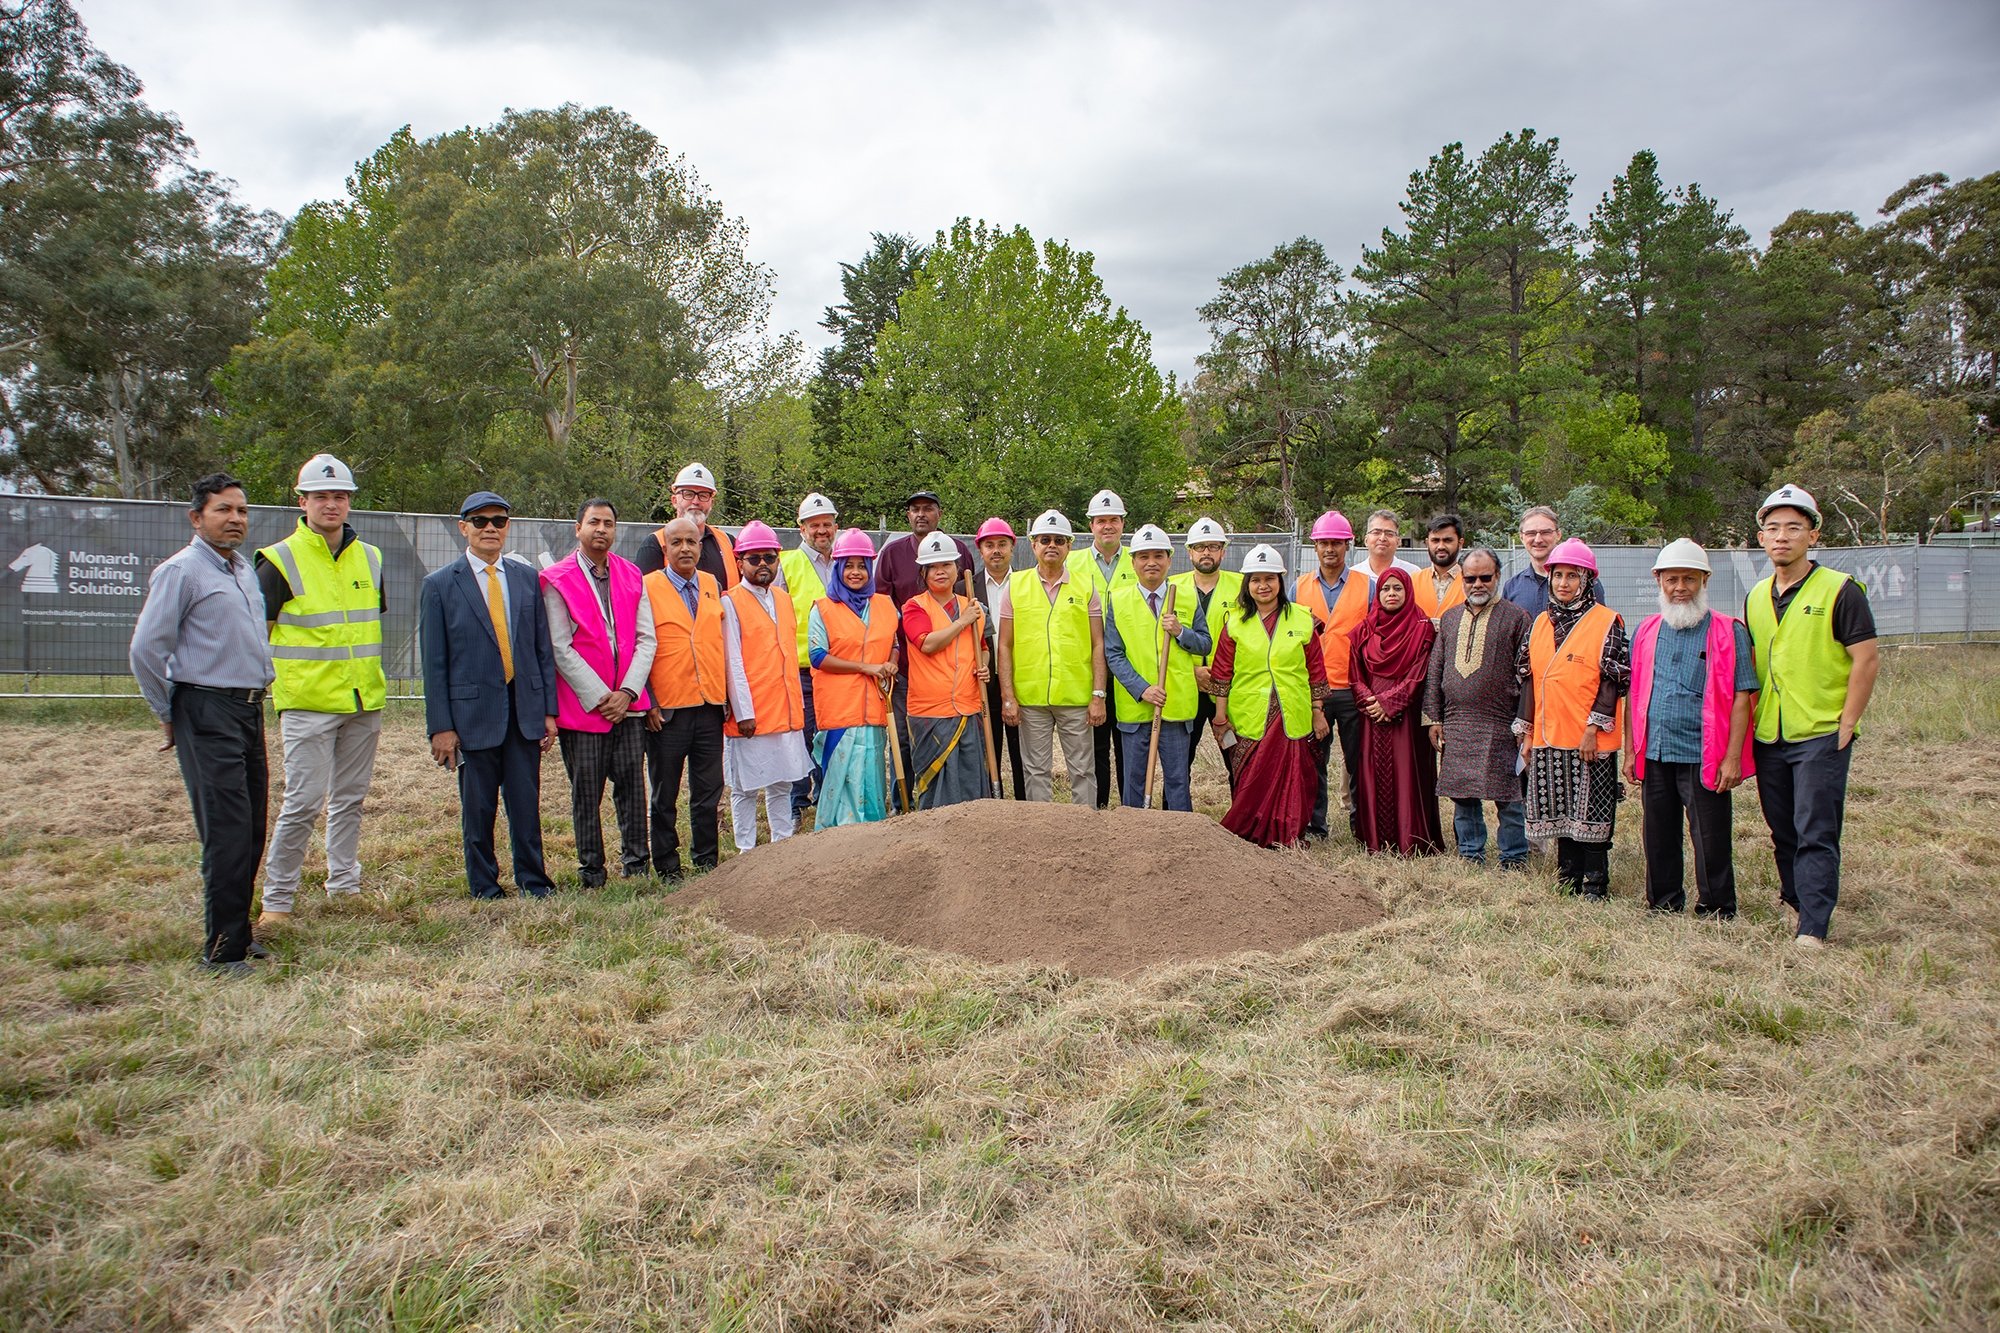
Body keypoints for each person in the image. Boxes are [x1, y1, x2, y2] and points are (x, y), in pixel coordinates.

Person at [129, 473, 277, 975]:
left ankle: (240, 930)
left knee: (253, 824)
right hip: (205, 708)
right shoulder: (182, 571)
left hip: (248, 709)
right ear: (197, 518)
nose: (235, 519)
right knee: (227, 830)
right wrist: (169, 713)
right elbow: (146, 650)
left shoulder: (240, 570)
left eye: (241, 510)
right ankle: (222, 951)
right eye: (223, 510)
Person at [254, 452, 385, 929]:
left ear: (349, 502)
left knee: (350, 798)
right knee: (304, 801)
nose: (331, 504)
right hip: (307, 704)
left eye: (340, 496)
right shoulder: (278, 560)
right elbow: (258, 634)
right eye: (321, 496)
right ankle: (278, 900)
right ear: (302, 501)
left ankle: (344, 884)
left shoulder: (370, 558)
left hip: (362, 701)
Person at [1746, 485, 1880, 948]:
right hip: (1771, 730)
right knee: (1781, 826)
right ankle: (1797, 900)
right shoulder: (1757, 597)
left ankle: (1813, 926)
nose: (1782, 537)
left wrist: (1846, 722)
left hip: (1820, 731)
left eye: (1793, 528)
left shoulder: (1841, 590)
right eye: (1773, 528)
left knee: (1816, 828)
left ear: (1813, 535)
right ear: (1761, 538)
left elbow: (1866, 659)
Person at [419, 491, 559, 900]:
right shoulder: (440, 586)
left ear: (507, 528)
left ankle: (534, 881)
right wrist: (441, 728)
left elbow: (541, 649)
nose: (490, 528)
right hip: (472, 716)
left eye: (499, 521)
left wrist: (548, 710)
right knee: (478, 810)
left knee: (525, 806)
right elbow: (435, 665)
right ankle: (483, 885)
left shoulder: (526, 578)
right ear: (463, 527)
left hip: (523, 711)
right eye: (480, 521)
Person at [1623, 539, 1758, 919]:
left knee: (1711, 838)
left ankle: (1716, 906)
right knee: (1658, 834)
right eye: (1672, 580)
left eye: (1689, 579)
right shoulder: (1647, 631)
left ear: (1704, 581)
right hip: (1656, 752)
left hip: (1705, 754)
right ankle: (1663, 901)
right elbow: (1633, 695)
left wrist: (1732, 758)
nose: (1680, 587)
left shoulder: (1729, 631)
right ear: (1658, 581)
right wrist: (1631, 750)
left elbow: (1742, 698)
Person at [540, 498, 656, 888]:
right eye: (594, 522)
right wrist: (601, 696)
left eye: (608, 523)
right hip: (585, 710)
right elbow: (560, 645)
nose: (601, 529)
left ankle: (637, 864)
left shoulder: (631, 574)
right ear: (578, 528)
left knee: (632, 789)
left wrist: (626, 692)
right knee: (586, 794)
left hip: (628, 706)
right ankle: (592, 870)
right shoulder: (557, 578)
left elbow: (646, 639)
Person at [1516, 538, 1628, 898]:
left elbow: (1612, 681)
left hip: (1589, 737)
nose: (1563, 583)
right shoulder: (1539, 624)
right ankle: (1568, 878)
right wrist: (1527, 733)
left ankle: (1595, 882)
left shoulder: (1606, 621)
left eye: (1572, 576)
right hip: (1550, 734)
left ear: (1587, 580)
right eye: (1558, 575)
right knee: (1561, 810)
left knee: (1592, 810)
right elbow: (1530, 681)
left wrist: (1594, 728)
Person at [1206, 544, 1330, 848]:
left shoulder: (1302, 619)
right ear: (1247, 584)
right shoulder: (1234, 622)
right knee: (1252, 777)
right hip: (1248, 712)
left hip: (1293, 712)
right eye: (1256, 579)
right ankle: (1249, 832)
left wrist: (1317, 710)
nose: (1263, 586)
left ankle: (1287, 832)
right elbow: (1222, 672)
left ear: (1280, 582)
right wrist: (1220, 717)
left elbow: (1316, 669)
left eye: (1270, 579)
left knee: (1295, 777)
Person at [1421, 548, 1533, 869]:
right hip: (1457, 723)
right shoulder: (1451, 618)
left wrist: (1522, 724)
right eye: (1471, 578)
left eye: (1486, 577)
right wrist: (1433, 718)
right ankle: (1471, 854)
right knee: (1463, 795)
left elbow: (1527, 677)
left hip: (1502, 724)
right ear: (1463, 580)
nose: (1478, 584)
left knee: (1509, 797)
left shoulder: (1517, 618)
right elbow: (1436, 670)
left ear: (1498, 577)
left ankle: (1513, 857)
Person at [640, 516, 728, 880]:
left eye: (692, 542)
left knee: (707, 793)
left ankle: (707, 861)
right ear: (666, 548)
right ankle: (667, 865)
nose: (686, 549)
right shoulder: (646, 587)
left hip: (709, 706)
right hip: (668, 709)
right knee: (665, 794)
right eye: (677, 543)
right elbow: (638, 646)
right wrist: (648, 701)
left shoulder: (712, 584)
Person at [875, 487, 976, 802]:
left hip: (958, 678)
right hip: (907, 668)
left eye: (928, 508)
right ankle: (904, 801)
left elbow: (971, 612)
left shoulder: (959, 550)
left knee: (963, 747)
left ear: (939, 513)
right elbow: (882, 609)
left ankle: (963, 803)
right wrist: (890, 654)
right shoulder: (892, 554)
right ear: (908, 515)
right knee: (905, 740)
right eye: (915, 509)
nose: (921, 514)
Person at [998, 509, 1106, 805]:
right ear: (1033, 545)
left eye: (1059, 540)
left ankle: (1085, 828)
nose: (1052, 545)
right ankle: (1040, 832)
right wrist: (1008, 696)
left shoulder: (1085, 586)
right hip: (1031, 698)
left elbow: (1098, 643)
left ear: (1069, 546)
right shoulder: (1016, 585)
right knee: (1035, 771)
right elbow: (1005, 645)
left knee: (1083, 770)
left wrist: (1098, 694)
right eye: (1045, 539)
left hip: (1076, 696)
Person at [720, 521, 812, 851]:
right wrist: (743, 711)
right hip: (751, 714)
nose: (763, 564)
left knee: (782, 782)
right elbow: (732, 662)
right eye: (754, 558)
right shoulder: (730, 602)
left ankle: (781, 847)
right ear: (739, 561)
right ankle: (746, 849)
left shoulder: (784, 599)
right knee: (745, 787)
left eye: (769, 558)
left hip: (786, 708)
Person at [1103, 524, 1205, 811]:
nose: (1151, 562)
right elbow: (1114, 654)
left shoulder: (1186, 596)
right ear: (1133, 562)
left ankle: (1180, 838)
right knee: (1133, 779)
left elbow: (1205, 643)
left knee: (1177, 779)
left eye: (1158, 556)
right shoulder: (1118, 600)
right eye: (1143, 556)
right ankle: (1133, 837)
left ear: (1169, 560)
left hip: (1175, 706)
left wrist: (1182, 632)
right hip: (1136, 708)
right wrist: (1142, 689)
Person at [1349, 568, 1443, 854]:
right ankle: (1377, 839)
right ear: (1378, 594)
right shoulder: (1364, 629)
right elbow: (1355, 676)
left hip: (1408, 717)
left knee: (1407, 774)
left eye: (1397, 589)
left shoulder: (1422, 627)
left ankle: (1411, 840)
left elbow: (1419, 674)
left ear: (1408, 591)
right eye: (1385, 589)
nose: (1391, 594)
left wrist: (1389, 704)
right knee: (1372, 774)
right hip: (1372, 717)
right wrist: (1372, 702)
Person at [808, 529, 896, 827]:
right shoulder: (822, 608)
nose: (855, 572)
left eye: (861, 565)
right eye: (849, 565)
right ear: (837, 567)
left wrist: (892, 664)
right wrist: (865, 668)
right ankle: (837, 841)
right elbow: (817, 656)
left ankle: (871, 840)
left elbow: (894, 645)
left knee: (871, 779)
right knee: (841, 779)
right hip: (839, 710)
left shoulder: (884, 605)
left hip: (874, 708)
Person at [903, 531, 992, 808]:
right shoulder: (914, 607)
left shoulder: (973, 607)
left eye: (947, 565)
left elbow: (983, 649)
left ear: (957, 569)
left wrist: (984, 668)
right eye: (933, 567)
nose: (941, 571)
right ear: (924, 573)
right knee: (938, 783)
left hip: (968, 705)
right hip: (931, 712)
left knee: (970, 777)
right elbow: (927, 644)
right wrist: (963, 622)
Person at [1295, 510, 1369, 840]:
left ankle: (1362, 825)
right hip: (1315, 691)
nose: (1330, 549)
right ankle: (1315, 826)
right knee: (1314, 762)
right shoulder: (1298, 588)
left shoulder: (1367, 587)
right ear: (1315, 547)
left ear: (1347, 546)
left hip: (1353, 689)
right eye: (1324, 542)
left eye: (1337, 543)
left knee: (1358, 762)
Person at [1069, 488, 1138, 807]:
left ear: (1123, 523)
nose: (1107, 526)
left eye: (1113, 519)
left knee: (1127, 742)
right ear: (1091, 525)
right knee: (1094, 744)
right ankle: (1096, 809)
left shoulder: (1139, 560)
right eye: (1100, 520)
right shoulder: (1074, 562)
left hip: (1130, 667)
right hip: (1089, 666)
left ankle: (1128, 808)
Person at [778, 492, 840, 822]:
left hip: (837, 667)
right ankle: (798, 802)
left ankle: (827, 794)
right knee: (801, 738)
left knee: (830, 732)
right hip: (800, 667)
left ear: (835, 527)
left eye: (826, 524)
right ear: (801, 528)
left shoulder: (846, 562)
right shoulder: (786, 564)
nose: (821, 531)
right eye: (814, 525)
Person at [1172, 516, 1243, 788]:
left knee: (1235, 755)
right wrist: (1192, 672)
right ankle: (1176, 816)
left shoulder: (1241, 588)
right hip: (1185, 686)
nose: (1206, 552)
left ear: (1223, 551)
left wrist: (1223, 675)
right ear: (1189, 551)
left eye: (1213, 547)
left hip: (1227, 689)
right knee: (1179, 761)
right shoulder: (1172, 588)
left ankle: (1242, 819)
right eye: (1200, 547)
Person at [973, 517, 1027, 799]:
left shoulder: (1027, 584)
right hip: (981, 682)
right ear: (980, 550)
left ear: (1012, 548)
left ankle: (1023, 804)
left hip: (1019, 679)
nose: (996, 551)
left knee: (1022, 754)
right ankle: (993, 806)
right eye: (989, 545)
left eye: (1002, 544)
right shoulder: (964, 589)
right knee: (988, 752)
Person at [635, 461, 738, 589]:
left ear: (712, 502)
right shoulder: (654, 544)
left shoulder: (729, 543)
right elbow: (643, 597)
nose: (695, 501)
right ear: (674, 500)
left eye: (703, 495)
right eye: (688, 494)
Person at [1504, 505, 1605, 619]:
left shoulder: (1587, 584)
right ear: (1522, 537)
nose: (1538, 539)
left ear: (1558, 535)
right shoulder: (1512, 587)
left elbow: (1600, 626)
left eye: (1545, 532)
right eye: (1531, 533)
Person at [1412, 514, 1465, 623]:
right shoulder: (1413, 581)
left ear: (1460, 543)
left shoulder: (1471, 581)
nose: (1441, 546)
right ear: (1427, 543)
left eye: (1447, 540)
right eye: (1435, 540)